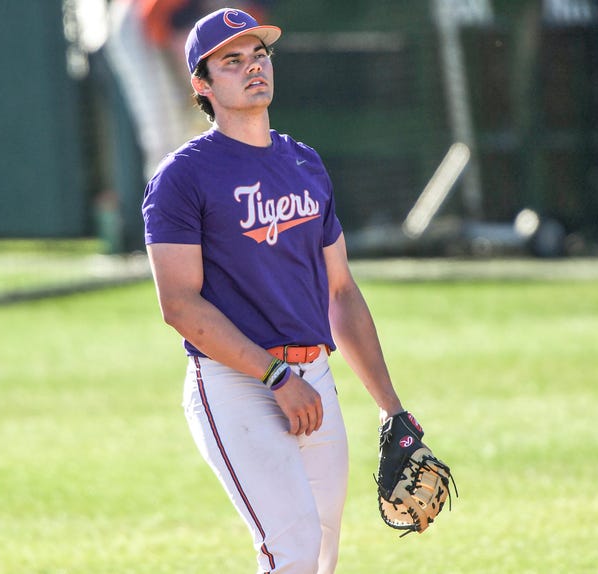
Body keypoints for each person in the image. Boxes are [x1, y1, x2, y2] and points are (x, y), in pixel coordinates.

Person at [142, 8, 405, 573]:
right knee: (292, 548)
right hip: (237, 383)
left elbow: (342, 293)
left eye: (258, 54)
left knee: (322, 556)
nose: (252, 67)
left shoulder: (304, 163)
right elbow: (179, 305)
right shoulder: (182, 177)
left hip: (314, 380)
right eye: (231, 61)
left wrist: (392, 408)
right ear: (202, 84)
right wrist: (275, 377)